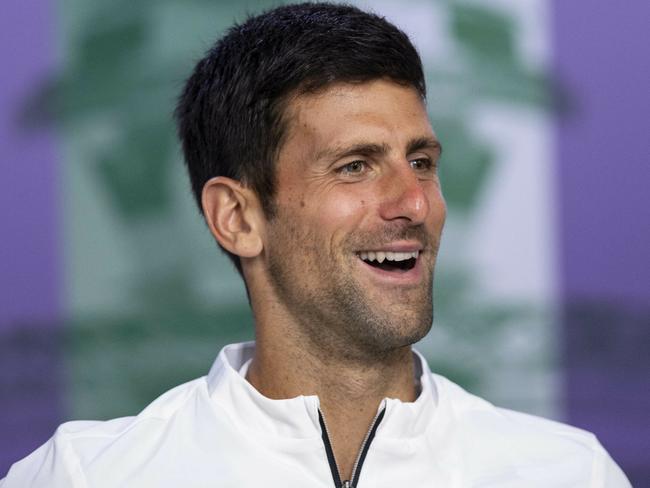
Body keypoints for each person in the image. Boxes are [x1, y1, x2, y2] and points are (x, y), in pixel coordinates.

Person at [1, 3, 631, 487]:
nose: (414, 203)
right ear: (237, 217)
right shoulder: (87, 475)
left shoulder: (568, 472)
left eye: (421, 161)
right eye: (355, 166)